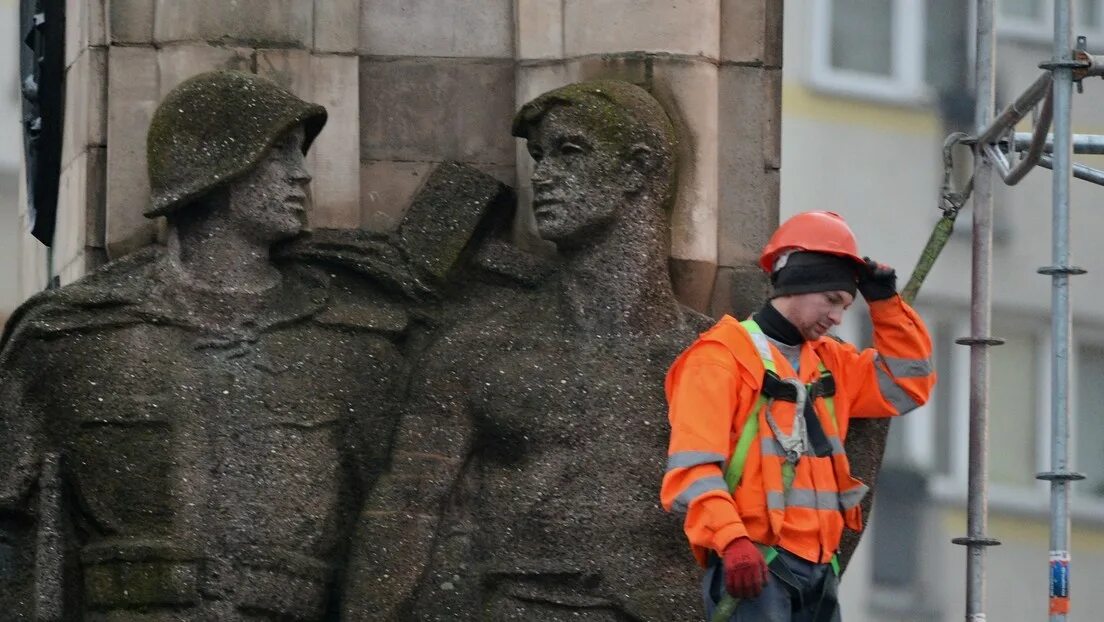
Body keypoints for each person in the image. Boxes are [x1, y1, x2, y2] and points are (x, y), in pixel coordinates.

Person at [0, 70, 426, 620]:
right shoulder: (68, 338)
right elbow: (14, 535)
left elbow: (398, 534)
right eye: (281, 155)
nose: (302, 176)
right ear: (217, 170)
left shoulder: (353, 347)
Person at [342, 80, 706, 620]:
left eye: (570, 151)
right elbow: (403, 517)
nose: (544, 174)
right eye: (538, 156)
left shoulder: (724, 357)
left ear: (637, 169)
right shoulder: (477, 351)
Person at [660, 211, 936, 621]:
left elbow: (909, 382)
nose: (838, 318)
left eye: (845, 306)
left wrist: (887, 306)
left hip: (820, 571)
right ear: (799, 285)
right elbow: (693, 468)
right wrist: (731, 540)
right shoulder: (720, 359)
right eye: (832, 301)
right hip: (755, 567)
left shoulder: (830, 363)